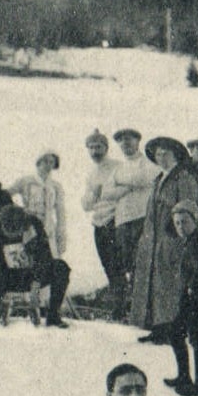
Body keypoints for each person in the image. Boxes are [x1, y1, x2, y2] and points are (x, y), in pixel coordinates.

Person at [129, 137, 198, 341]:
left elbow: (188, 209)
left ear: (176, 155)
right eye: (158, 154)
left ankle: (169, 329)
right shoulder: (159, 179)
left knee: (170, 284)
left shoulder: (183, 178)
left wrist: (177, 235)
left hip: (171, 239)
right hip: (153, 241)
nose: (161, 157)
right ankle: (157, 327)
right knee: (156, 283)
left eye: (166, 153)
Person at [0, 203, 71, 327]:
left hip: (30, 276)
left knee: (60, 267)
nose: (12, 235)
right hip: (4, 277)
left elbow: (45, 256)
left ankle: (53, 317)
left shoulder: (34, 226)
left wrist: (37, 281)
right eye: (8, 232)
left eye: (16, 232)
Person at [102, 128, 159, 318]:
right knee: (123, 266)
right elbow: (107, 193)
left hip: (142, 218)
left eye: (129, 140)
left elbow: (146, 177)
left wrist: (122, 185)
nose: (126, 144)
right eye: (122, 141)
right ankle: (122, 311)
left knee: (140, 266)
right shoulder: (118, 168)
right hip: (122, 221)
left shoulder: (148, 162)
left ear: (137, 141)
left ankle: (140, 313)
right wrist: (128, 188)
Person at [164, 200, 198, 396]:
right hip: (190, 295)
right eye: (177, 223)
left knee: (197, 337)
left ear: (195, 221)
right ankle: (184, 376)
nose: (180, 227)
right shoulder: (188, 243)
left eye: (185, 222)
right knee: (176, 333)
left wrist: (193, 288)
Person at [81, 129, 123, 317]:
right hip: (98, 223)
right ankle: (117, 306)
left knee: (118, 266)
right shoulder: (91, 174)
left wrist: (101, 196)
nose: (94, 151)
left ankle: (120, 307)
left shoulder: (118, 167)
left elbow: (124, 194)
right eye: (91, 147)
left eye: (98, 147)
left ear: (106, 148)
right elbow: (86, 205)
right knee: (107, 265)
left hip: (115, 221)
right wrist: (94, 195)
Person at [9, 151, 67, 259]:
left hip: (48, 228)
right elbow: (6, 195)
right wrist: (19, 210)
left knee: (50, 259)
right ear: (39, 162)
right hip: (29, 226)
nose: (48, 165)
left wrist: (61, 234)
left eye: (51, 162)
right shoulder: (25, 181)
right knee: (29, 259)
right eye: (45, 161)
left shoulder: (56, 186)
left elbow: (61, 212)